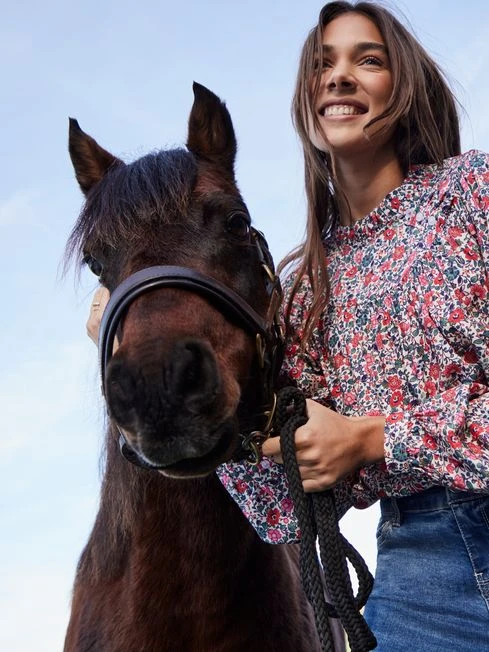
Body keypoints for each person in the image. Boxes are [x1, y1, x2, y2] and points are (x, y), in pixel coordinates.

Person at [87, 2, 489, 650]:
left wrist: (373, 439)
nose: (339, 76)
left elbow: (361, 444)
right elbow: (280, 512)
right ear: (305, 101)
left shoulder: (473, 194)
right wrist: (212, 401)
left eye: (367, 59)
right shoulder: (303, 291)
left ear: (404, 85)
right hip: (421, 586)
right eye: (322, 65)